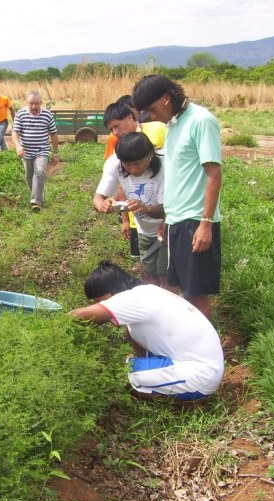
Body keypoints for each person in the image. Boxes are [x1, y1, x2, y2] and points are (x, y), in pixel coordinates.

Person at [132, 75, 223, 319]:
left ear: (166, 98)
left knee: (195, 294)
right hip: (176, 221)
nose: (149, 116)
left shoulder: (201, 121)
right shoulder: (173, 125)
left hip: (195, 221)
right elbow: (178, 176)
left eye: (151, 109)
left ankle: (207, 353)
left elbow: (214, 174)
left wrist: (206, 224)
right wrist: (167, 219)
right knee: (180, 289)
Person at [69, 261, 224, 403]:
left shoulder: (132, 299)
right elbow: (136, 343)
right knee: (128, 366)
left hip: (200, 375)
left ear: (114, 292)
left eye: (98, 300)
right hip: (203, 369)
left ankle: (187, 403)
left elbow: (81, 316)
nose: (97, 305)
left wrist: (54, 321)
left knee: (116, 374)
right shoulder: (145, 295)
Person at [93, 132, 172, 290]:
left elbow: (167, 208)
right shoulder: (115, 164)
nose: (132, 169)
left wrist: (145, 208)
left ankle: (169, 308)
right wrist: (104, 205)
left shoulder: (166, 164)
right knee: (149, 275)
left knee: (166, 277)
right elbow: (97, 198)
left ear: (150, 154)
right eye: (127, 164)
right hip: (145, 230)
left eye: (137, 163)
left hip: (169, 227)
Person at [11, 91, 59, 211]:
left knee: (39, 172)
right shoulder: (21, 114)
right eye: (31, 103)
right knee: (29, 176)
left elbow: (53, 134)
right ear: (27, 103)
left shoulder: (47, 115)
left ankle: (35, 202)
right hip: (26, 151)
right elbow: (15, 132)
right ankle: (38, 196)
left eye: (36, 104)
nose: (34, 107)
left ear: (40, 103)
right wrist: (18, 146)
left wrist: (56, 153)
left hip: (42, 150)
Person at [102, 102, 167, 160]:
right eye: (111, 129)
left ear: (130, 117)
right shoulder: (118, 145)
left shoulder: (159, 128)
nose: (115, 132)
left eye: (117, 126)